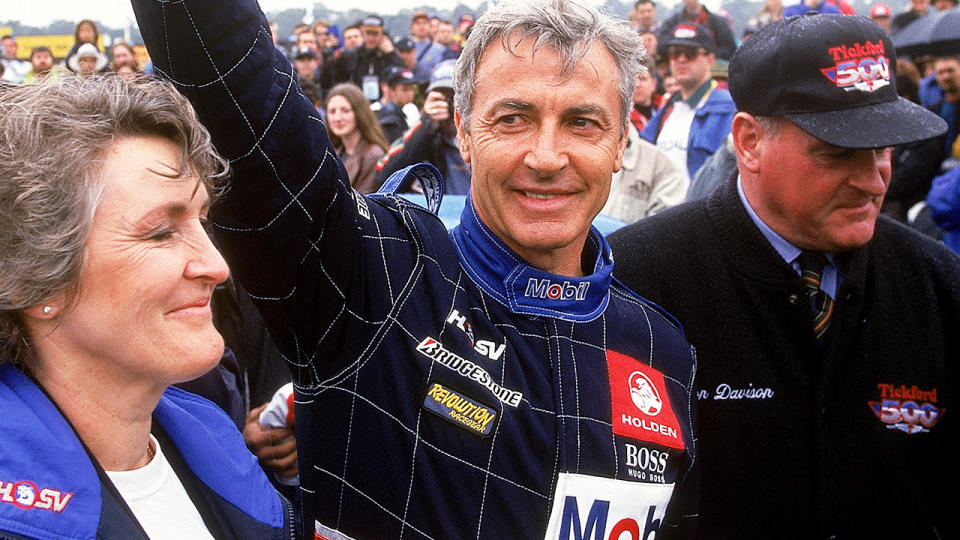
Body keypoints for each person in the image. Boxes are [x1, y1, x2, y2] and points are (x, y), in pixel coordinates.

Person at [132, 1, 699, 539]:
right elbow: (232, 90)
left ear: (623, 140)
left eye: (583, 123)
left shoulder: (659, 345)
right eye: (513, 119)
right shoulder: (379, 271)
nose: (547, 157)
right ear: (464, 131)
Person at [609, 14, 956, 539]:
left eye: (885, 149)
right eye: (837, 153)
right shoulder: (636, 281)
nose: (872, 180)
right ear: (748, 142)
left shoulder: (938, 284)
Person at [0, 75, 293, 539]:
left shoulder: (214, 444)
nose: (217, 267)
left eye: (202, 221)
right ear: (30, 280)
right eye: (160, 232)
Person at [642, 23, 735, 185]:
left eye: (690, 53)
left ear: (710, 60)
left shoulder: (728, 108)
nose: (681, 59)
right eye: (675, 53)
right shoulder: (668, 108)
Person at [375, 60, 471, 194]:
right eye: (441, 99)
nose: (448, 106)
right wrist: (426, 125)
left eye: (454, 98)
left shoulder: (480, 134)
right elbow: (385, 177)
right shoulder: (427, 135)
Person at [325, 83, 390, 194]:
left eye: (345, 111)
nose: (337, 118)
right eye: (332, 111)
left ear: (359, 113)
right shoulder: (333, 153)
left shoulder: (374, 155)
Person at [657, 0, 737, 60]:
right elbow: (661, 46)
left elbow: (729, 48)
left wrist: (703, 55)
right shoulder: (673, 22)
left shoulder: (717, 22)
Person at [376, 66, 418, 143]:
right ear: (391, 91)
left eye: (412, 89)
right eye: (405, 90)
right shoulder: (379, 112)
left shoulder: (410, 109)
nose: (410, 94)